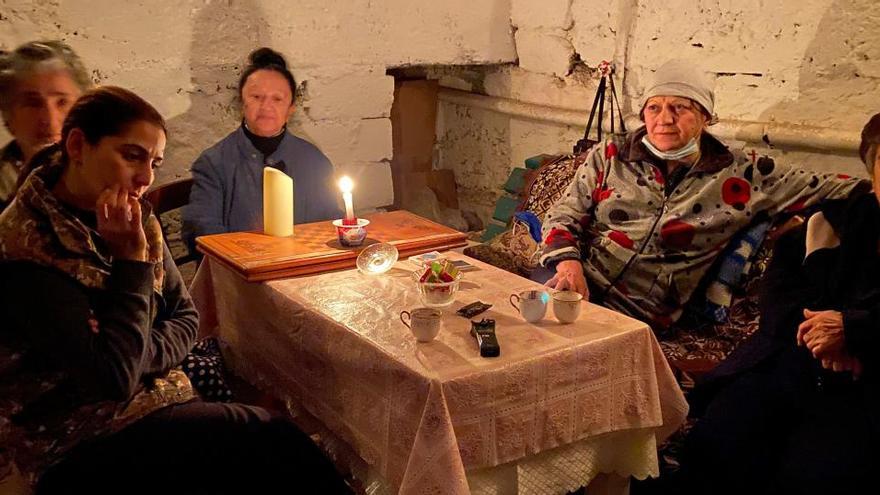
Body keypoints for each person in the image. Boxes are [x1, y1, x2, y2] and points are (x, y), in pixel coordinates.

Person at [0, 86, 350, 493]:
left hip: (155, 400)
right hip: (76, 439)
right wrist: (131, 263)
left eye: (155, 162)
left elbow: (186, 318)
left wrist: (131, 353)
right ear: (78, 144)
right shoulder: (25, 249)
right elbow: (112, 381)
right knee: (274, 439)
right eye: (131, 156)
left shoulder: (134, 212)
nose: (146, 178)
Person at [539, 59, 867, 330]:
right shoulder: (611, 154)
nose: (664, 119)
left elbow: (840, 186)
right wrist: (569, 265)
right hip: (575, 278)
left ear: (705, 118)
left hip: (636, 315)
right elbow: (562, 215)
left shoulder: (744, 174)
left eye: (679, 108)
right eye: (654, 108)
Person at [673, 113, 880, 494]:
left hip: (865, 381)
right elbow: (779, 296)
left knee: (816, 473)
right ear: (872, 170)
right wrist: (822, 337)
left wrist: (853, 333)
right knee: (717, 441)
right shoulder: (837, 221)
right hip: (795, 358)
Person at [182, 47, 340, 251]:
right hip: (237, 273)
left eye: (277, 99)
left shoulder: (313, 161)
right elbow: (202, 231)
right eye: (256, 97)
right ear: (242, 103)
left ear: (290, 109)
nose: (266, 106)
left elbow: (330, 224)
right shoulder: (214, 163)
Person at [0, 40, 90, 212]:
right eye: (32, 103)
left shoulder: (109, 172)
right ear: (8, 115)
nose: (48, 118)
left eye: (62, 102)